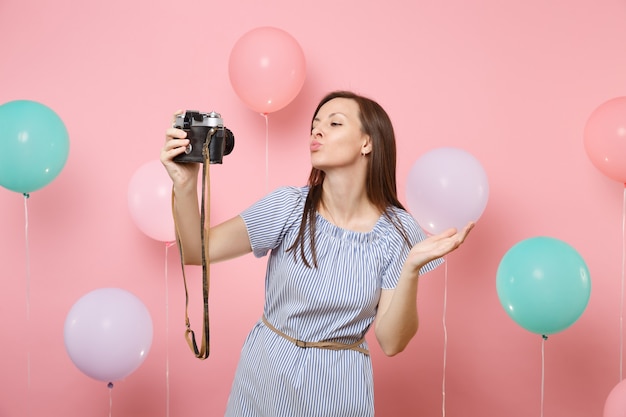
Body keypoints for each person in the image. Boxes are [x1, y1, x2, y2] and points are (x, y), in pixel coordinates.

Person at [160, 90, 474, 417]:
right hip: (264, 374)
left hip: (336, 388)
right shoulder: (288, 206)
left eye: (334, 123)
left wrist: (409, 269)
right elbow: (196, 251)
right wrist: (184, 185)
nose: (316, 131)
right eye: (314, 125)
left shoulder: (396, 230)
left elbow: (392, 343)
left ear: (367, 143)